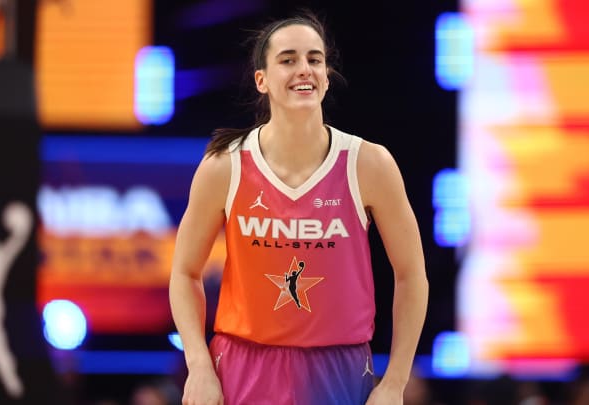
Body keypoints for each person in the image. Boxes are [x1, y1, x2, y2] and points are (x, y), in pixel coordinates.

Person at [169, 10, 429, 405]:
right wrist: (199, 366)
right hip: (242, 363)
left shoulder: (369, 164)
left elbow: (411, 276)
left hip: (339, 366)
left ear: (326, 76)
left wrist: (395, 383)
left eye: (315, 59)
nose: (304, 69)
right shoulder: (225, 165)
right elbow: (185, 273)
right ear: (262, 79)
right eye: (288, 59)